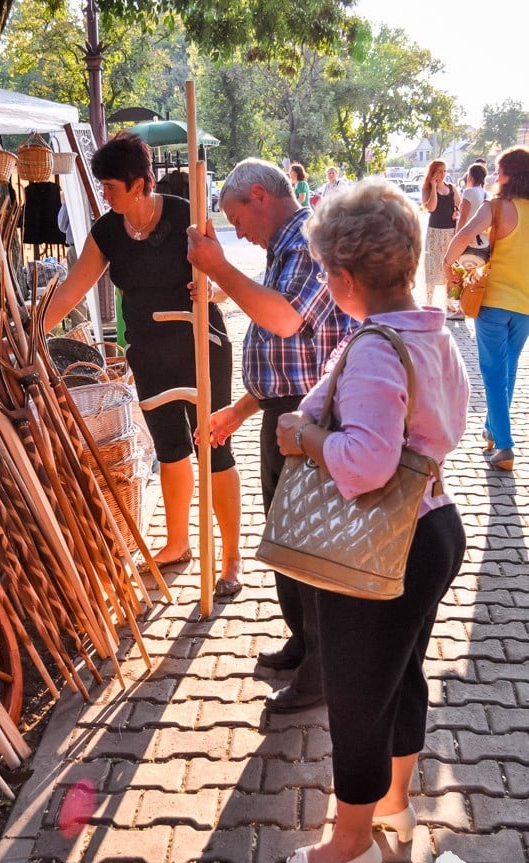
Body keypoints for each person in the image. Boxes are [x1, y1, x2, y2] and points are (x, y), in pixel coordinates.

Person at [276, 178, 468, 863]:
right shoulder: (434, 333)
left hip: (382, 547)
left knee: (357, 696)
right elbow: (445, 429)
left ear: (344, 278)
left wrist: (306, 440)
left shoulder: (376, 349)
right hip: (437, 527)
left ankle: (349, 838)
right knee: (402, 676)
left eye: (326, 273)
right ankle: (394, 805)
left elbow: (364, 465)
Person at [187, 158, 355, 713]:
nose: (238, 233)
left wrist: (219, 270)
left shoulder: (309, 240)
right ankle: (306, 645)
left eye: (237, 217)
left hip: (311, 420)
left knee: (308, 546)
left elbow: (284, 321)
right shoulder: (283, 250)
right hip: (284, 413)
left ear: (259, 196)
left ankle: (324, 672)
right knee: (288, 541)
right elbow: (287, 356)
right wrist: (240, 410)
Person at [43, 132, 242, 595]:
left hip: (201, 344)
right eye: (102, 186)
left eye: (111, 186)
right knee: (170, 449)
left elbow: (226, 280)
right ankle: (177, 544)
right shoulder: (107, 232)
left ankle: (230, 560)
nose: (103, 194)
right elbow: (72, 289)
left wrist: (208, 291)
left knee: (214, 448)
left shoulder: (186, 215)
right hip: (149, 352)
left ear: (140, 184)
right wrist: (29, 328)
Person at [444, 146, 529, 472]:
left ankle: (505, 447)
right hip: (524, 306)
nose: (495, 175)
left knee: (493, 375)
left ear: (508, 174)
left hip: (493, 303)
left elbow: (464, 235)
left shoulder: (496, 207)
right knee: (507, 371)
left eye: (499, 170)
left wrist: (446, 264)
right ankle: (493, 430)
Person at [421, 159, 461, 305]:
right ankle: (429, 301)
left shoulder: (451, 187)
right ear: (432, 172)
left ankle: (450, 302)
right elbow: (431, 208)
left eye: (444, 171)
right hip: (435, 232)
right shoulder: (427, 188)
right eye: (439, 171)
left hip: (450, 231)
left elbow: (459, 203)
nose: (442, 174)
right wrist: (433, 186)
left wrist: (456, 211)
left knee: (450, 265)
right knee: (432, 266)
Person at [455, 162, 489, 266]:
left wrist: (456, 238)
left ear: (471, 177)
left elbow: (463, 218)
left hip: (470, 242)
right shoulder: (486, 194)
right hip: (484, 244)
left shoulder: (468, 192)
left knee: (462, 275)